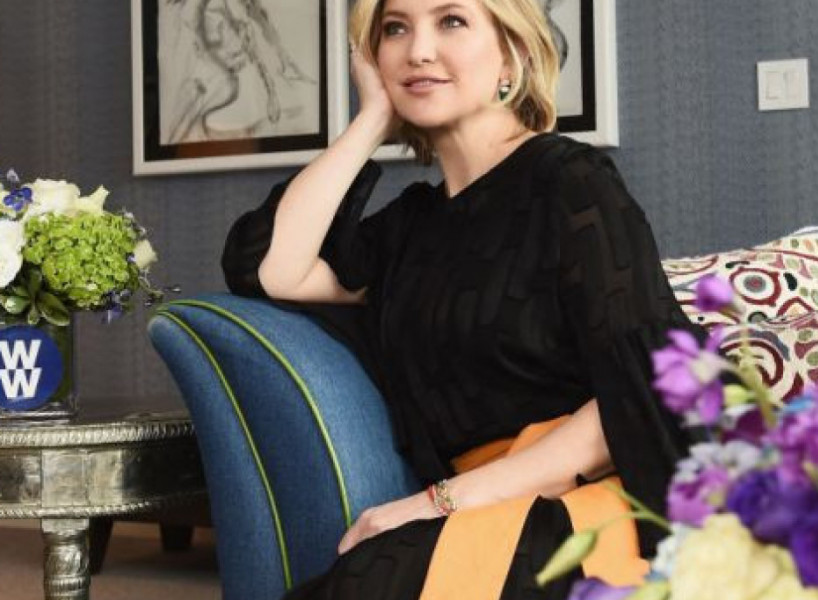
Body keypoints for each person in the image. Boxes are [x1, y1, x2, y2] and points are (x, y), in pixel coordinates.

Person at [221, 0, 702, 597]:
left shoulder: (571, 182)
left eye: (451, 21)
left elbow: (647, 386)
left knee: (376, 575)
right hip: (481, 506)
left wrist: (437, 502)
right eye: (395, 29)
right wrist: (371, 119)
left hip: (600, 497)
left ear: (512, 53)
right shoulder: (411, 226)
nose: (418, 50)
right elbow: (273, 268)